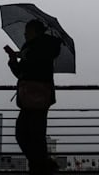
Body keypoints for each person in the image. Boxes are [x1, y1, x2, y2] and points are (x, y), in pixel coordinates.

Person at [4, 19, 62, 175]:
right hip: (35, 97)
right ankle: (42, 166)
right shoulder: (33, 47)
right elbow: (21, 72)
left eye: (27, 31)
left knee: (25, 134)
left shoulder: (44, 46)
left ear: (35, 31)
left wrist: (22, 55)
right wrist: (13, 59)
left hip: (35, 97)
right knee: (33, 136)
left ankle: (41, 167)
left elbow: (32, 65)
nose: (24, 34)